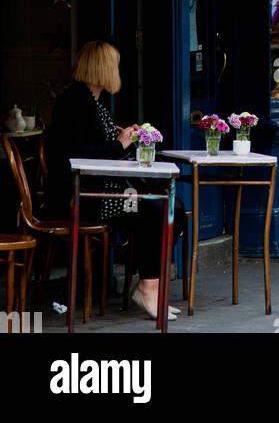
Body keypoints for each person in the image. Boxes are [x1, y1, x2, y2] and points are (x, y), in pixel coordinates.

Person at [45, 41, 186, 321]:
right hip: (85, 198)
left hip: (102, 192)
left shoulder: (92, 101)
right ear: (103, 68)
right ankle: (146, 287)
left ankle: (150, 283)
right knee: (157, 208)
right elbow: (75, 153)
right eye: (115, 65)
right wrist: (119, 145)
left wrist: (125, 138)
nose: (117, 71)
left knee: (174, 207)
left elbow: (99, 143)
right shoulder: (76, 101)